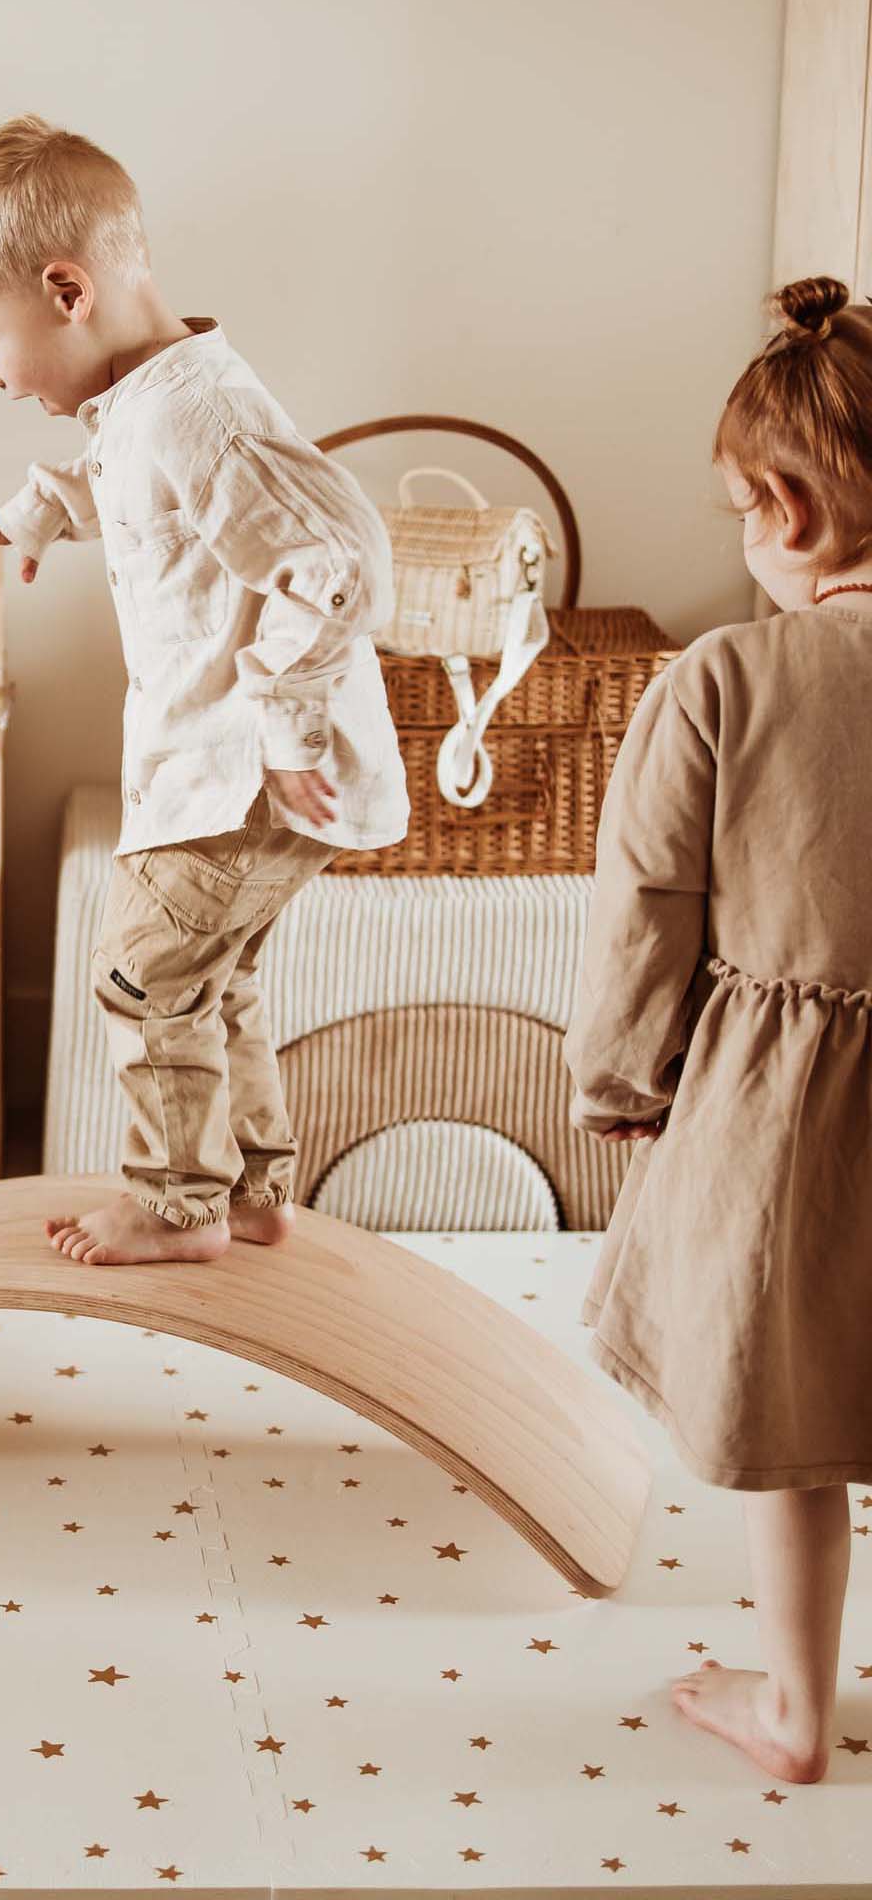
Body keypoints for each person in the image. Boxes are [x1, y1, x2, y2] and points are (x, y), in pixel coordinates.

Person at [0, 114, 408, 1264]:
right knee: (207, 988)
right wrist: (31, 513)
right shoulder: (149, 401)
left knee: (142, 978)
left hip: (241, 780)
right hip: (222, 777)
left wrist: (282, 726)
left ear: (64, 289)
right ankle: (253, 1193)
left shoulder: (200, 411)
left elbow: (339, 562)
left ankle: (176, 1202)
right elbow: (134, 485)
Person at [564, 274, 872, 1785]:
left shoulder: (728, 679)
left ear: (787, 509)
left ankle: (797, 1714)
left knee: (806, 1433)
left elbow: (649, 910)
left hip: (792, 1124)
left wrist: (622, 1079)